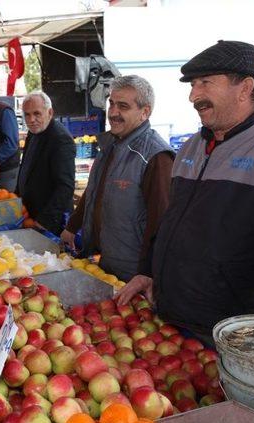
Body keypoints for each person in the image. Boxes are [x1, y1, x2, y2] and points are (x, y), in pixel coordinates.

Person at [116, 41, 254, 343]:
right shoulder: (192, 146)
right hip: (170, 319)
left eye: (205, 83)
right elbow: (170, 221)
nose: (193, 95)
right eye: (192, 85)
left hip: (232, 334)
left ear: (245, 88)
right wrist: (148, 270)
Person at [61, 75, 174, 282]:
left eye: (123, 106)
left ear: (144, 112)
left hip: (133, 270)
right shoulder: (111, 144)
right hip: (106, 260)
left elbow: (161, 222)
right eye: (111, 103)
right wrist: (72, 226)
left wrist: (147, 272)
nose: (113, 112)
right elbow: (94, 190)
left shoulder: (155, 156)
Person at [16, 91, 75, 235]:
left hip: (49, 221)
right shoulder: (33, 132)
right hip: (30, 213)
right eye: (27, 114)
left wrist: (45, 221)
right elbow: (25, 167)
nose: (31, 119)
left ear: (50, 112)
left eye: (37, 113)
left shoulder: (60, 139)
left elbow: (65, 186)